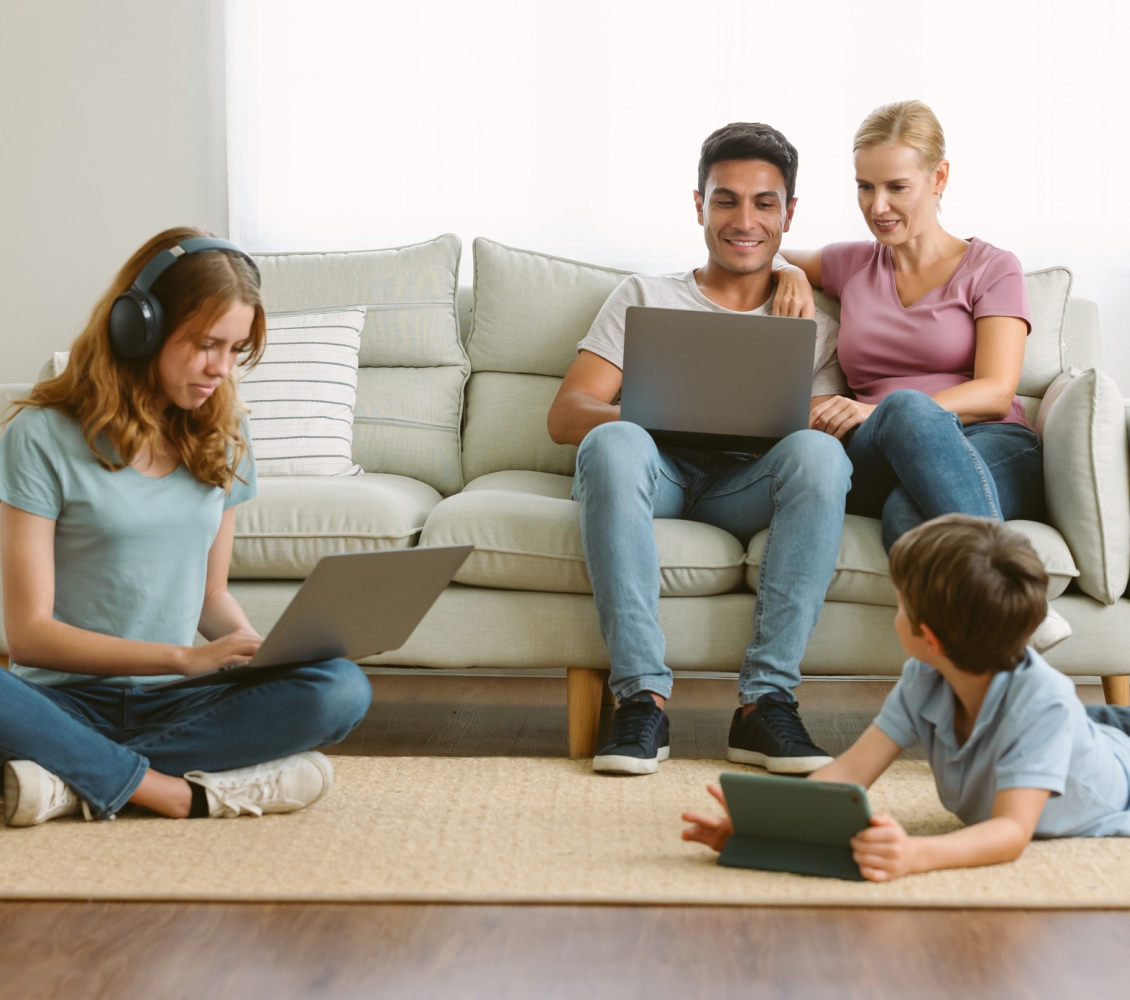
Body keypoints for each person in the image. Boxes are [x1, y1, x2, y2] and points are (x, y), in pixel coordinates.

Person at [0, 227, 372, 828]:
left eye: (235, 350)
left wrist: (252, 653)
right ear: (138, 327)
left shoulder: (227, 436)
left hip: (175, 705)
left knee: (341, 688)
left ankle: (72, 783)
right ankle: (176, 792)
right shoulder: (38, 437)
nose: (220, 369)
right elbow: (30, 636)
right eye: (206, 344)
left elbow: (210, 597)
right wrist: (183, 659)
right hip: (64, 699)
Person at [547, 123, 853, 777]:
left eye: (764, 202)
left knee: (823, 457)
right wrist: (669, 410)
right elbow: (567, 415)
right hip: (655, 475)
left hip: (745, 487)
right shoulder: (644, 296)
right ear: (698, 205)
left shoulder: (814, 322)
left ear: (789, 214)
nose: (744, 220)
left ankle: (765, 704)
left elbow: (822, 432)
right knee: (614, 440)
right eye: (726, 200)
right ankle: (640, 699)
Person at [682, 515, 1130, 882]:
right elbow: (848, 776)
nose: (895, 613)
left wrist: (916, 854)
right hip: (1083, 731)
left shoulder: (1043, 703)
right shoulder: (924, 675)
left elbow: (1011, 831)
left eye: (900, 605)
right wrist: (765, 828)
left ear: (930, 638)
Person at [776, 100, 1044, 553]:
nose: (877, 206)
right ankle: (1025, 606)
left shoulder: (993, 268)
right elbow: (769, 250)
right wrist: (792, 274)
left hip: (991, 442)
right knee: (901, 411)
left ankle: (991, 612)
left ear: (939, 178)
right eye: (865, 187)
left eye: (897, 187)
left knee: (906, 516)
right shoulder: (853, 262)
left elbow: (997, 390)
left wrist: (880, 410)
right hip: (875, 454)